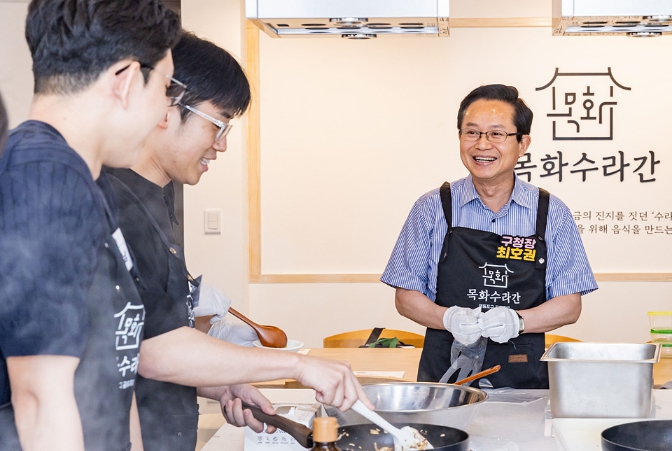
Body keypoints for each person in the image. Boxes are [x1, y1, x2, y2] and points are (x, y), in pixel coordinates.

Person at [105, 33, 373, 451]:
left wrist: (223, 384)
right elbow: (156, 352)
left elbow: (150, 340)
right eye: (218, 123)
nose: (222, 144)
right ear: (166, 105)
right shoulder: (114, 203)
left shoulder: (158, 198)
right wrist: (298, 366)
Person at [0, 1, 181, 450]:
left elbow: (118, 371)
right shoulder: (45, 177)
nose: (164, 111)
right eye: (166, 88)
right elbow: (39, 398)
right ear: (125, 80)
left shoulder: (87, 178)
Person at [381, 84, 598, 389]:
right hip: (445, 383)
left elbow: (569, 304)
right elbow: (406, 297)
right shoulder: (431, 208)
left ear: (522, 143)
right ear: (460, 137)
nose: (482, 144)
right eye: (472, 132)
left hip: (524, 384)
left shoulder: (551, 213)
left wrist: (518, 322)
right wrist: (448, 318)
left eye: (497, 134)